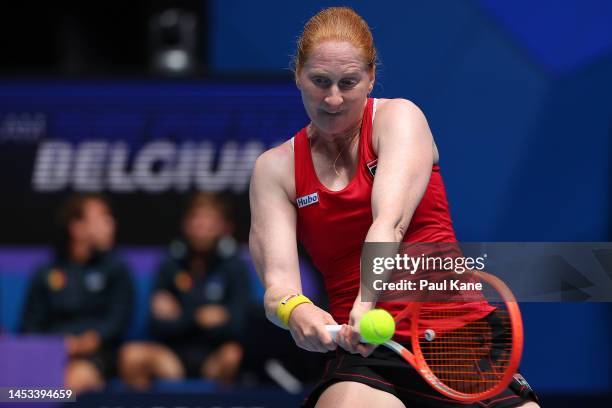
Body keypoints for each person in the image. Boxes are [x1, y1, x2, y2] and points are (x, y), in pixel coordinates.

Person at [249, 7, 540, 408]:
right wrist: (296, 311)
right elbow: (277, 287)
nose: (333, 98)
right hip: (369, 358)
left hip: (457, 338)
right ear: (297, 74)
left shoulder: (399, 118)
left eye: (348, 82)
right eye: (320, 81)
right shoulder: (274, 169)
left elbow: (390, 223)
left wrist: (365, 307)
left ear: (370, 78)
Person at [119, 192, 250, 389]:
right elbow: (158, 323)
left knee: (234, 355)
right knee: (131, 355)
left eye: (209, 220)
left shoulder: (234, 266)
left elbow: (239, 323)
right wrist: (200, 317)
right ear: (186, 223)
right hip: (172, 356)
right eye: (196, 218)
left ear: (224, 227)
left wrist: (181, 314)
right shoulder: (170, 263)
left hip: (213, 355)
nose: (201, 226)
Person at [20, 194, 134, 395]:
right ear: (77, 227)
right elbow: (30, 326)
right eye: (101, 218)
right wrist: (57, 346)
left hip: (99, 357)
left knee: (71, 382)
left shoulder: (117, 270)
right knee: (12, 391)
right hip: (48, 355)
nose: (110, 224)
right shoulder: (46, 272)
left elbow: (116, 323)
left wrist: (84, 343)